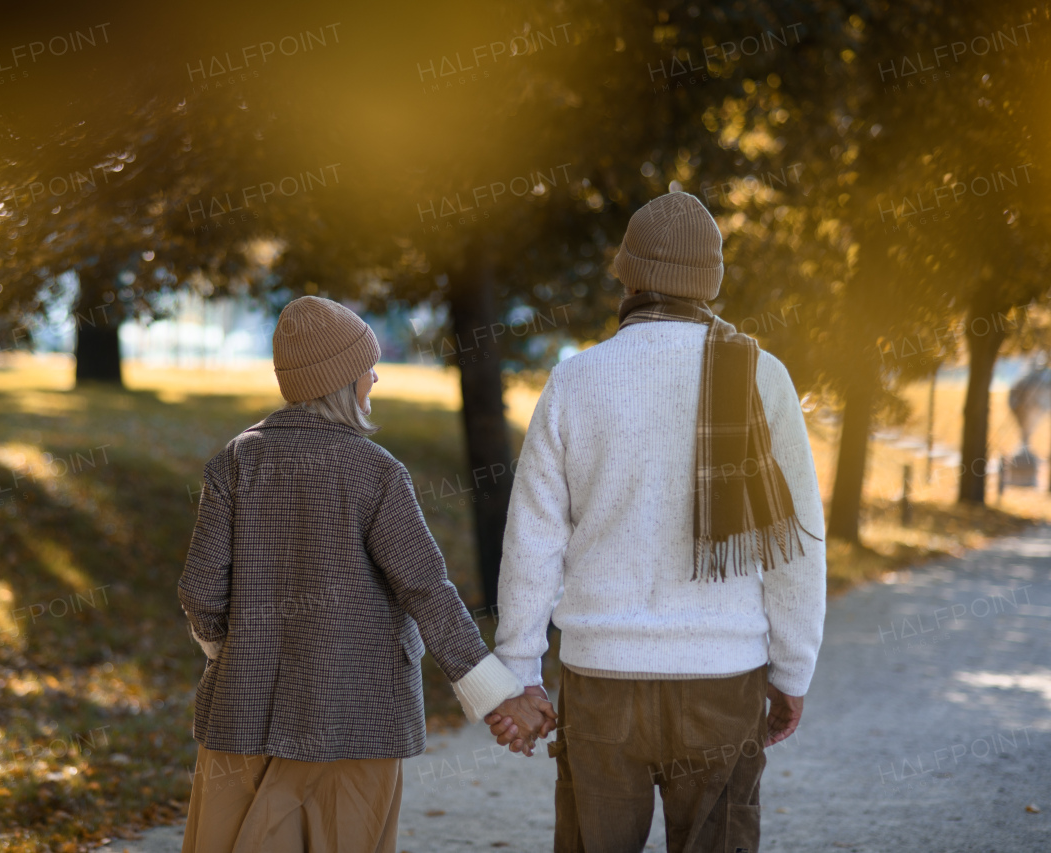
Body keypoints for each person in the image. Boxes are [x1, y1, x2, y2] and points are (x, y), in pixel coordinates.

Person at [485, 191, 827, 852]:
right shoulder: (763, 377)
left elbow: (532, 541)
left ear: (627, 275)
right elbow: (796, 545)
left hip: (600, 682)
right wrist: (792, 671)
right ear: (714, 283)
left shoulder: (576, 380)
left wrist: (520, 668)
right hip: (724, 680)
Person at [177, 295, 553, 853]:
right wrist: (500, 695)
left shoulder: (236, 460)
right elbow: (426, 589)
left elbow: (201, 590)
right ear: (345, 382)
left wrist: (233, 656)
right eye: (366, 367)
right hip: (353, 724)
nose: (374, 376)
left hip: (242, 718)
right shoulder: (375, 472)